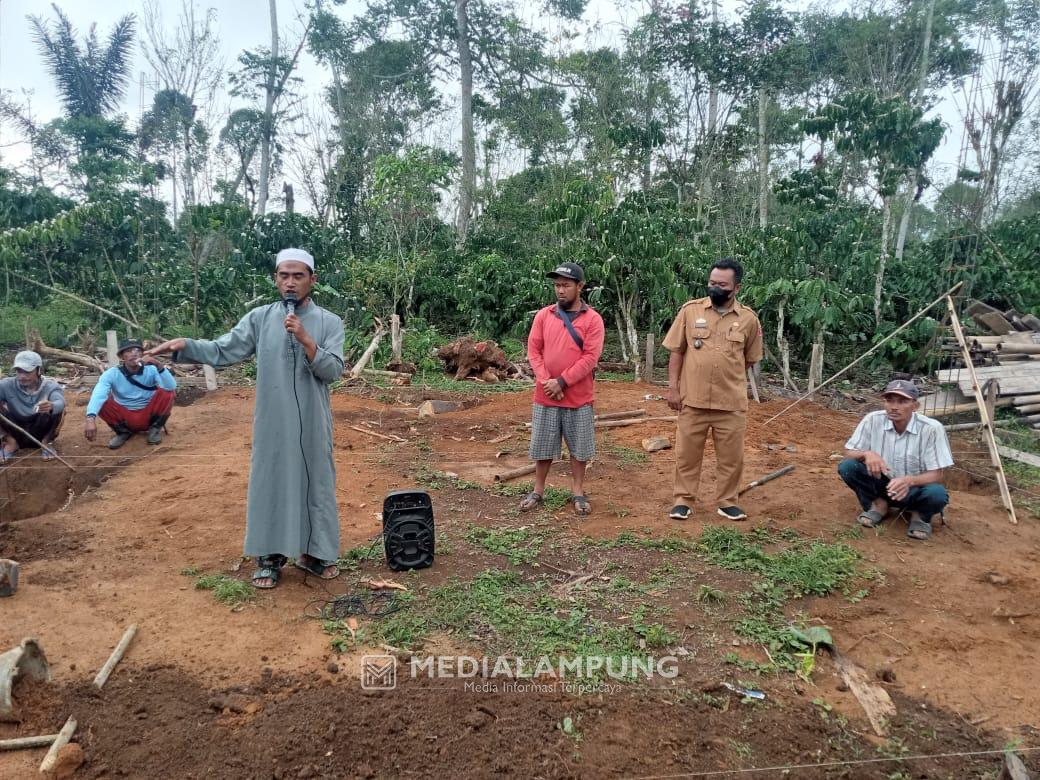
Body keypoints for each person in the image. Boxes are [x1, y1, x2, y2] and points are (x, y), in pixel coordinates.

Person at [147, 248, 345, 589]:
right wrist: (187, 346)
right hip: (271, 419)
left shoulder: (330, 322)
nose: (290, 283)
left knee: (316, 482)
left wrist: (305, 339)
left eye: (298, 276)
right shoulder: (260, 318)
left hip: (313, 421)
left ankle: (314, 553)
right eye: (284, 276)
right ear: (275, 279)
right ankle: (268, 556)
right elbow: (225, 349)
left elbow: (333, 370)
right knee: (269, 481)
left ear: (312, 280)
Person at [663, 258, 763, 521]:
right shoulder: (690, 311)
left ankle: (728, 502)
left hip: (730, 403)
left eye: (722, 284)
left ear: (737, 287)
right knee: (686, 455)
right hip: (692, 400)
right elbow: (677, 352)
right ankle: (682, 501)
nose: (715, 288)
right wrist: (673, 388)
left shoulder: (749, 319)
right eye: (711, 283)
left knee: (731, 459)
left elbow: (750, 359)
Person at [521, 262, 605, 516]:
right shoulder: (544, 316)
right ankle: (538, 490)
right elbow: (534, 351)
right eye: (557, 285)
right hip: (546, 395)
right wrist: (547, 381)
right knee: (542, 446)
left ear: (580, 287)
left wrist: (562, 382)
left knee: (579, 448)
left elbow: (590, 358)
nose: (560, 291)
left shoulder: (593, 320)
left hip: (578, 397)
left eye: (566, 285)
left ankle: (578, 492)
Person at [839, 379, 953, 541]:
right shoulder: (873, 420)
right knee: (848, 467)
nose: (894, 406)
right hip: (882, 483)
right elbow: (849, 452)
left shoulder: (931, 429)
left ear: (915, 406)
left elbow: (937, 474)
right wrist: (867, 454)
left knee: (937, 493)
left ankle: (919, 516)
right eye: (889, 400)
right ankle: (878, 505)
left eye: (902, 401)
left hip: (914, 489)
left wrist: (909, 481)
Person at [85, 339, 177, 449]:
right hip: (125, 416)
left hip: (149, 414)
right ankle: (122, 432)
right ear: (121, 357)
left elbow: (171, 387)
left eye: (138, 350)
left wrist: (159, 365)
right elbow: (98, 395)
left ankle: (155, 429)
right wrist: (90, 419)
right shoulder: (111, 374)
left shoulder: (152, 370)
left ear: (143, 355)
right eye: (128, 351)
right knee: (102, 400)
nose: (134, 353)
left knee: (168, 392)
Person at [0, 351, 66, 462]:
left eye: (27, 372)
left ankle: (46, 442)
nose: (22, 376)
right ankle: (11, 442)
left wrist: (52, 406)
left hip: (40, 428)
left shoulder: (50, 386)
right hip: (14, 428)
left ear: (38, 370)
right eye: (19, 371)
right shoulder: (6, 385)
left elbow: (60, 402)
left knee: (59, 410)